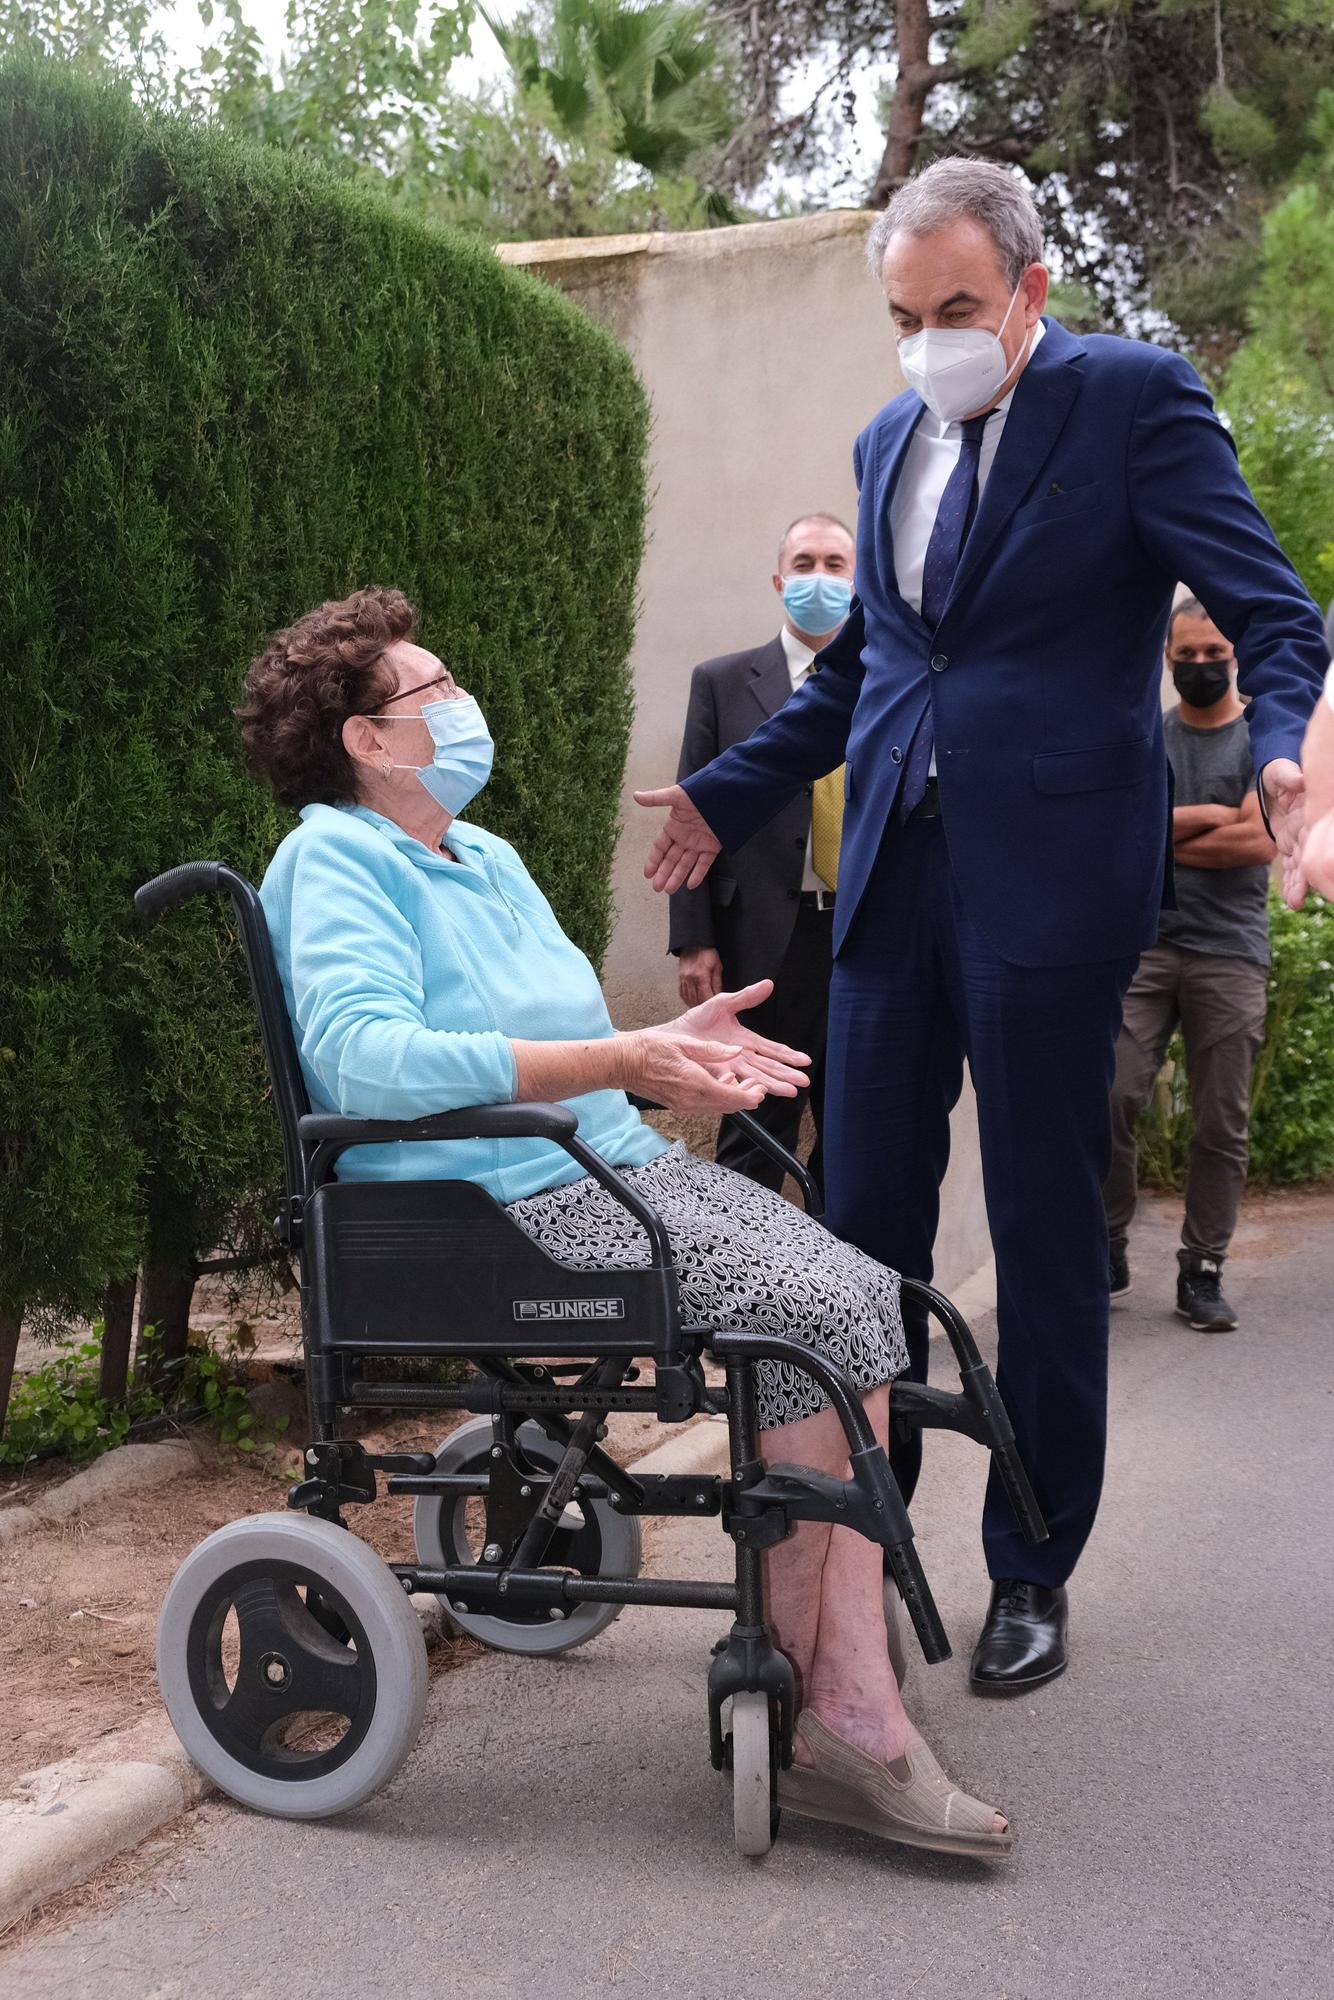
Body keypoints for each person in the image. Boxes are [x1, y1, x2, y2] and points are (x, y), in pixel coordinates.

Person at [636, 157, 1329, 1698]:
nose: (927, 340)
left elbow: (1277, 616)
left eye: (954, 307)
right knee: (858, 1237)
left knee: (1035, 1231)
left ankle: (1033, 1566)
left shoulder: (1132, 400)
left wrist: (1283, 753)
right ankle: (849, 1552)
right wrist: (721, 787)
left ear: (1025, 289)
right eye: (901, 314)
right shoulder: (891, 435)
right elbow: (861, 673)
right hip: (893, 886)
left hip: (1051, 890)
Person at [237, 585, 1011, 1859]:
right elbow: (365, 1060)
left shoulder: (481, 857)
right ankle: (844, 1715)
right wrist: (617, 1053)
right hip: (499, 1203)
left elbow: (581, 1045)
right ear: (367, 739)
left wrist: (668, 1059)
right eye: (432, 691)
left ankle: (824, 1666)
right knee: (814, 1320)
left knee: (868, 1295)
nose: (459, 705)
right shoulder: (333, 857)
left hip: (606, 1165)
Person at [1103, 599, 1276, 1331]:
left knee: (1220, 1122)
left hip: (1231, 951)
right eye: (1186, 654)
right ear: (1166, 657)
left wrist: (1171, 830)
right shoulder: (1150, 737)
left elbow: (1261, 841)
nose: (1200, 666)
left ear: (1233, 656)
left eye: (1214, 653)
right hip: (1146, 945)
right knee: (1111, 1095)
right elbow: (1127, 833)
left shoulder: (1264, 737)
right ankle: (1106, 1239)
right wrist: (1219, 817)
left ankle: (1201, 1269)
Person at [670, 513, 855, 1199]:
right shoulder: (721, 681)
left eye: (835, 564)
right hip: (761, 942)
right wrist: (693, 940)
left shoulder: (888, 685)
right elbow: (694, 807)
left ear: (859, 583)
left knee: (854, 1132)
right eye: (804, 563)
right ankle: (739, 1297)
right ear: (780, 580)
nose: (818, 578)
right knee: (754, 1126)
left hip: (862, 933)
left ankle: (845, 1294)